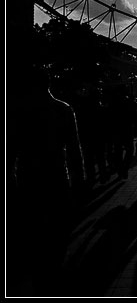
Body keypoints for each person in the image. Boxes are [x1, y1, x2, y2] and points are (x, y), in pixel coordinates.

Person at [13, 67, 86, 295]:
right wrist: (79, 179)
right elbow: (74, 149)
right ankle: (53, 270)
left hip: (28, 176)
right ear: (49, 83)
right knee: (59, 226)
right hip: (56, 175)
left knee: (32, 226)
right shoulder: (63, 110)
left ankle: (37, 273)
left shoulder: (18, 111)